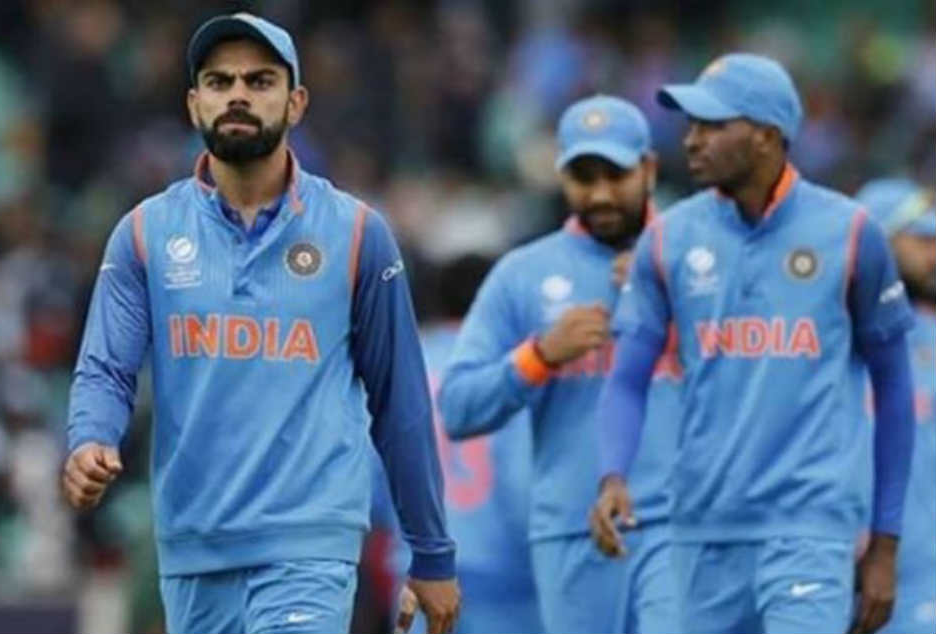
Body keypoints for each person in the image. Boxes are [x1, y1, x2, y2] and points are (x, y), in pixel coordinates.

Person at [61, 12, 459, 634]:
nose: (238, 95)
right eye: (219, 82)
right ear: (194, 104)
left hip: (309, 546)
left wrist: (431, 551)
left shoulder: (357, 233)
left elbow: (400, 401)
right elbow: (106, 368)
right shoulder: (145, 233)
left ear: (296, 102)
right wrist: (91, 437)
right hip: (192, 547)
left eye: (260, 80)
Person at [593, 53, 917, 634]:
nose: (691, 140)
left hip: (809, 530)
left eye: (712, 125)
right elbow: (627, 378)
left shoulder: (849, 233)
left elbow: (894, 390)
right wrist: (613, 474)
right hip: (700, 530)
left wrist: (885, 545)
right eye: (691, 125)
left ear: (767, 135)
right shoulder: (669, 238)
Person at [439, 95, 681, 633]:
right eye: (582, 177)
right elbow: (457, 408)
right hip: (572, 533)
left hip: (681, 526)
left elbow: (757, 381)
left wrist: (676, 302)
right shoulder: (523, 274)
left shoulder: (693, 260)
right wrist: (540, 355)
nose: (600, 194)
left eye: (616, 174)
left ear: (649, 168)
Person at [375, 254, 544, 634]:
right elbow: (522, 484)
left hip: (415, 574)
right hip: (504, 582)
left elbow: (370, 481)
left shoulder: (402, 362)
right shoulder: (510, 372)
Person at [856, 179, 936, 634]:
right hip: (828, 559)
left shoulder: (930, 335)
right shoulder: (827, 334)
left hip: (920, 572)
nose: (934, 255)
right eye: (922, 239)